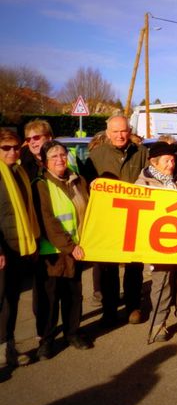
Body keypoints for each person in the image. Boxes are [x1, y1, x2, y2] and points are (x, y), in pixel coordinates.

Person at [137, 142, 177, 342]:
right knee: (162, 282)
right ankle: (159, 323)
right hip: (159, 242)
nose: (171, 164)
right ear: (154, 162)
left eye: (173, 160)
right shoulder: (143, 184)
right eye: (167, 161)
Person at [85, 115, 149, 326]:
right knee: (108, 270)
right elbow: (86, 188)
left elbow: (151, 180)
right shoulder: (96, 156)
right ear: (107, 133)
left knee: (134, 267)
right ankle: (109, 311)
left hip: (134, 220)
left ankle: (133, 307)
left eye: (124, 131)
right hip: (108, 222)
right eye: (115, 132)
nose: (120, 135)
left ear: (129, 131)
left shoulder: (142, 153)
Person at [33, 140, 92, 358]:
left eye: (62, 155)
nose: (60, 159)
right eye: (54, 156)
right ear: (45, 161)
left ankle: (73, 332)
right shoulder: (41, 184)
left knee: (74, 295)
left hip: (76, 249)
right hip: (53, 253)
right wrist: (70, 246)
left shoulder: (77, 180)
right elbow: (48, 221)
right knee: (49, 299)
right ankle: (46, 341)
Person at [0, 129, 38, 367]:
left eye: (16, 147)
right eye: (6, 148)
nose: (13, 152)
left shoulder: (19, 172)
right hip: (3, 248)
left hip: (20, 245)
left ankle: (8, 346)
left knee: (11, 299)